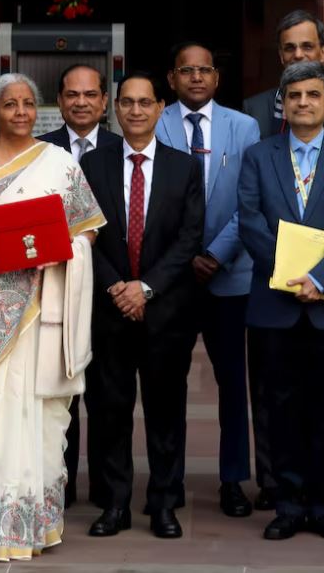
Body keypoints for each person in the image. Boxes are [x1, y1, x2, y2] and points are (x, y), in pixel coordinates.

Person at [0, 73, 105, 561]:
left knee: (37, 409)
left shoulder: (58, 163)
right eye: (9, 104)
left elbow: (88, 230)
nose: (20, 112)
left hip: (42, 306)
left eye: (28, 104)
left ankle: (32, 525)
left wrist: (60, 248)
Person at [238, 60, 324, 542]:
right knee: (280, 406)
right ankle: (288, 504)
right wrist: (287, 275)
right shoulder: (259, 155)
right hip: (275, 303)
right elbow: (250, 219)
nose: (303, 103)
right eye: (294, 96)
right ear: (283, 103)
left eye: (312, 95)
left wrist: (321, 276)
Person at [82, 71, 205, 539]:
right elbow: (82, 235)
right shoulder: (92, 165)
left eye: (144, 103)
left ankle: (164, 503)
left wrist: (145, 288)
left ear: (159, 108)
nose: (135, 111)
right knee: (110, 412)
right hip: (109, 311)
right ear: (116, 108)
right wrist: (118, 287)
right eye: (127, 103)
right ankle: (114, 504)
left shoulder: (184, 166)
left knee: (166, 412)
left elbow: (190, 237)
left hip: (165, 312)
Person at [156, 42, 260, 517]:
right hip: (172, 281)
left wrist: (216, 253)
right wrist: (183, 260)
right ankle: (168, 481)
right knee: (166, 384)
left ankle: (234, 480)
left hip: (230, 276)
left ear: (217, 78)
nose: (195, 78)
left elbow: (251, 201)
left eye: (204, 70)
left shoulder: (245, 127)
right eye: (186, 71)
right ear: (172, 78)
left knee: (233, 385)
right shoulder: (153, 122)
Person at [38, 62, 122, 508]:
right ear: (60, 101)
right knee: (57, 392)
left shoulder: (121, 146)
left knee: (107, 395)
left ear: (104, 101)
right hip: (54, 287)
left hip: (109, 289)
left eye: (91, 94)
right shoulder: (40, 150)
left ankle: (108, 489)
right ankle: (60, 486)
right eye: (72, 95)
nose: (82, 102)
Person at [243, 10, 324, 144]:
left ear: (323, 52)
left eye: (307, 47)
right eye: (289, 48)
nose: (298, 54)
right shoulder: (254, 109)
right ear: (281, 56)